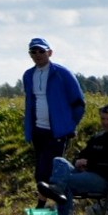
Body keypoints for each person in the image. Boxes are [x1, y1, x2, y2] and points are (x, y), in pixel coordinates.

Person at [48, 103, 108, 215]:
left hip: (107, 179)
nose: (106, 122)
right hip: (86, 173)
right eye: (103, 119)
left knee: (67, 183)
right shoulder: (98, 137)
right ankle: (57, 188)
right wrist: (78, 162)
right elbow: (81, 155)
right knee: (59, 160)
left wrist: (90, 164)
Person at [22, 37, 86, 191]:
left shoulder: (62, 73)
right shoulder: (28, 75)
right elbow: (30, 101)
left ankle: (49, 204)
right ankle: (46, 203)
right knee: (40, 170)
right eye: (34, 52)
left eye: (41, 51)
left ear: (49, 52)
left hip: (57, 131)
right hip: (38, 129)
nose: (38, 54)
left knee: (49, 170)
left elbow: (78, 102)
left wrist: (69, 125)